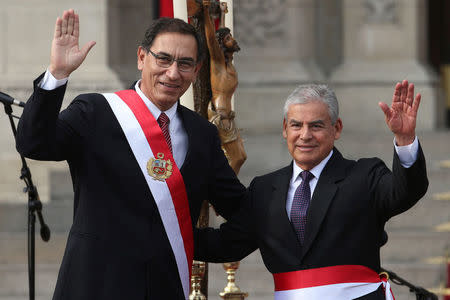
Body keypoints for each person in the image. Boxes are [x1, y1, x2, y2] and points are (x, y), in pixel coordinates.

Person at [15, 9, 246, 300]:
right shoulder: (95, 113)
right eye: (163, 59)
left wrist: (199, 242)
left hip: (165, 288)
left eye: (185, 63)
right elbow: (33, 143)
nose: (173, 73)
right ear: (141, 58)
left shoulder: (202, 134)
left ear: (197, 70)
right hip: (95, 287)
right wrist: (57, 75)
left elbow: (239, 209)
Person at [195, 82, 428, 299]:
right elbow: (225, 244)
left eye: (316, 126)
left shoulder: (364, 176)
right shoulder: (265, 190)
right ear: (285, 129)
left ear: (336, 129)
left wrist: (405, 139)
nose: (305, 135)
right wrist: (165, 230)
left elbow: (405, 191)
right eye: (296, 125)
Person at [202, 0, 246, 174]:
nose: (232, 40)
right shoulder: (218, 63)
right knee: (237, 158)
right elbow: (212, 38)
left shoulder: (229, 64)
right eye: (228, 39)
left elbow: (220, 34)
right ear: (221, 45)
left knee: (240, 156)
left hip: (229, 117)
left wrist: (222, 14)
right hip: (220, 118)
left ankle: (224, 191)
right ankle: (224, 194)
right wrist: (205, 11)